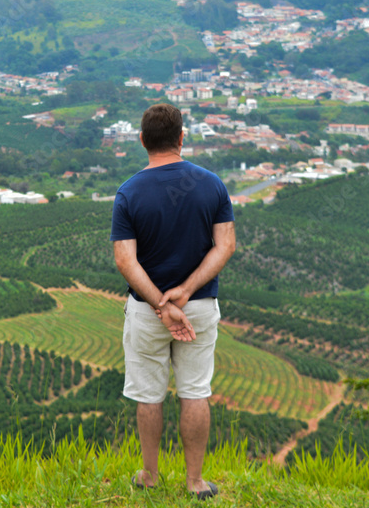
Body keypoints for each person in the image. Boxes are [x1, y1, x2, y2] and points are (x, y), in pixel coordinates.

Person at [109, 103, 236, 501]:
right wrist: (185, 291)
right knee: (195, 391)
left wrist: (161, 304)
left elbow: (124, 260)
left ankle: (149, 476)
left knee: (149, 394)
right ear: (182, 138)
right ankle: (195, 482)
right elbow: (225, 246)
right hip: (198, 306)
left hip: (148, 311)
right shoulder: (212, 184)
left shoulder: (128, 192)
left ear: (143, 141)